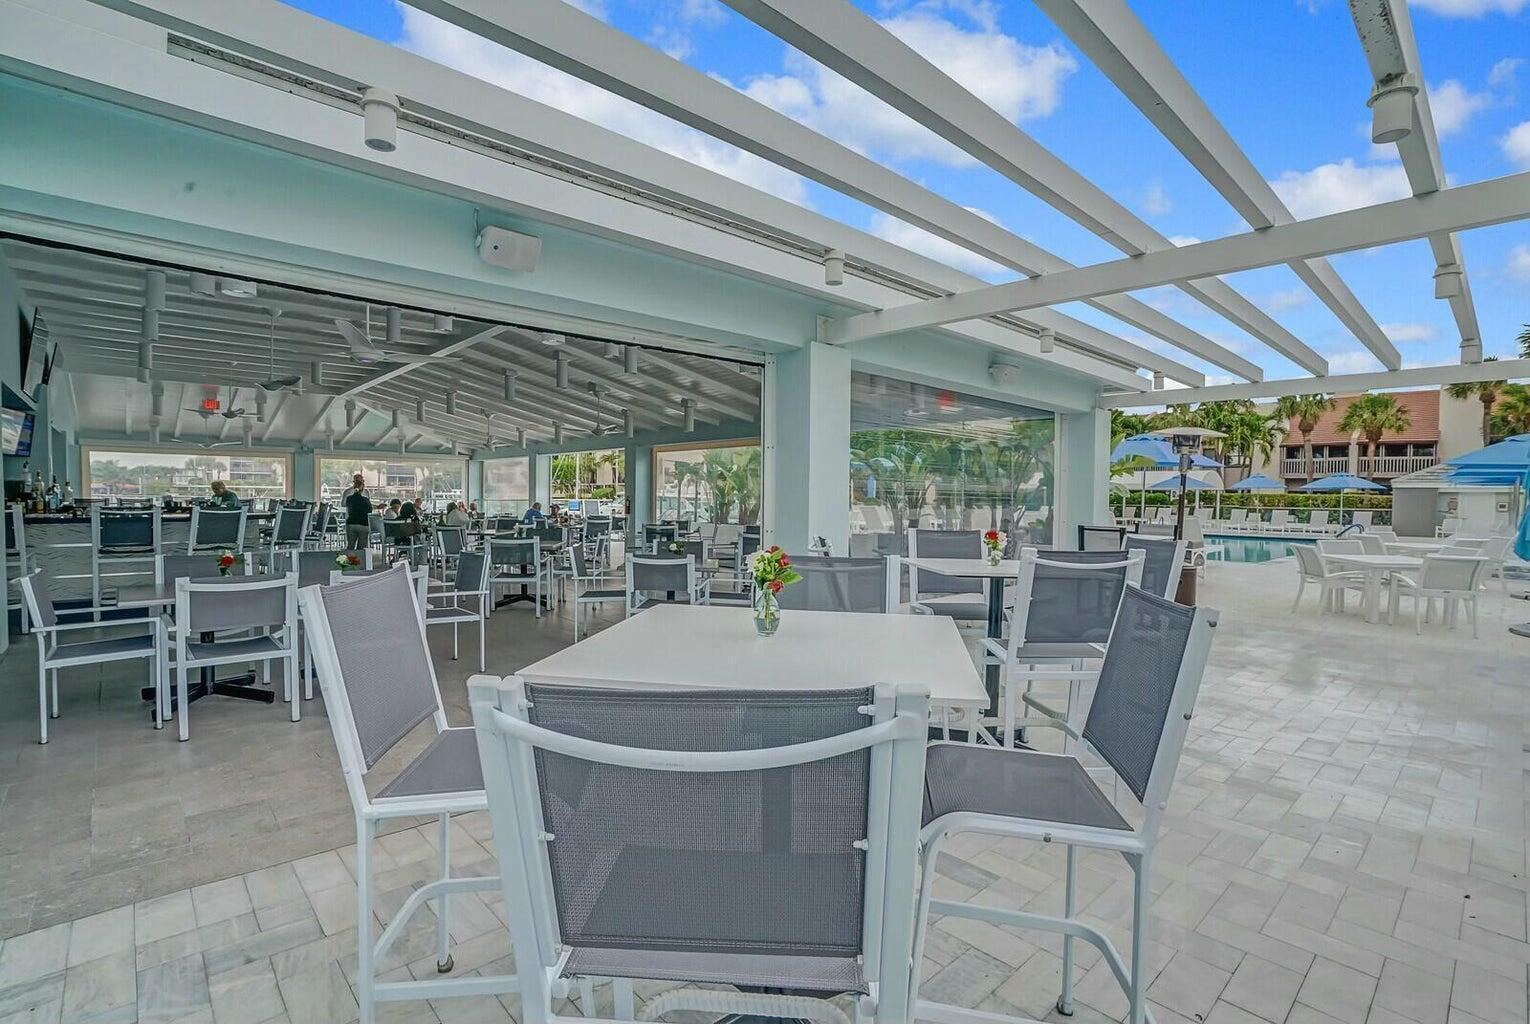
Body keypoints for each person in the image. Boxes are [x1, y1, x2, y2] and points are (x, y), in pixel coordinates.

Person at [343, 478, 372, 551]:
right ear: (362, 489)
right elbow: (370, 510)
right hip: (363, 525)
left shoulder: (349, 498)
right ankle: (359, 561)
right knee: (361, 548)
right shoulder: (365, 500)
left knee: (350, 546)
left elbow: (346, 505)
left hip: (351, 524)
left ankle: (348, 561)